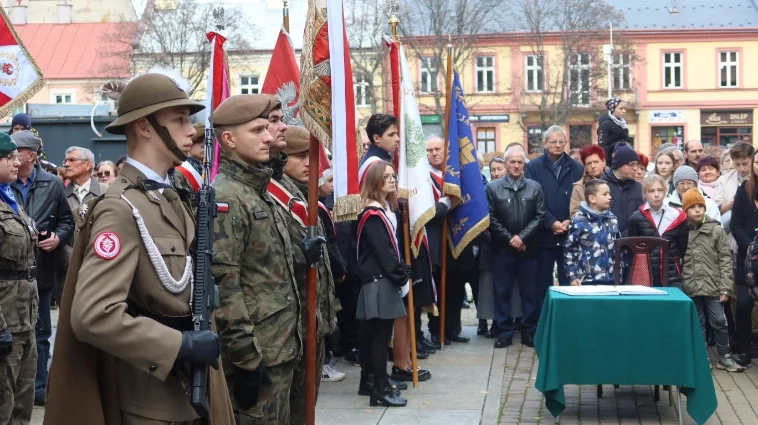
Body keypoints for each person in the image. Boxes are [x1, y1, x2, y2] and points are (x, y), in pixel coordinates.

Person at [44, 73, 234, 424]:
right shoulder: (121, 208)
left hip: (194, 390)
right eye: (178, 120)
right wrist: (180, 346)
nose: (190, 129)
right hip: (154, 402)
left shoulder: (168, 197)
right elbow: (93, 315)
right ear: (145, 127)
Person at [211, 94, 322, 424]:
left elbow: (268, 267)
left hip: (282, 343)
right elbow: (224, 287)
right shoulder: (227, 196)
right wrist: (246, 360)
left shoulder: (258, 189)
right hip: (259, 351)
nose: (270, 135)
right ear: (229, 139)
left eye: (268, 127)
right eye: (258, 130)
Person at [278, 126, 345, 415]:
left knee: (307, 407)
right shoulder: (284, 197)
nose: (310, 163)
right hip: (291, 325)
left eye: (312, 155)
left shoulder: (306, 197)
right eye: (300, 155)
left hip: (313, 322)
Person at [9, 130, 74, 407]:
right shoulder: (4, 183)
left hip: (42, 271)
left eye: (16, 152)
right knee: (11, 334)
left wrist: (58, 238)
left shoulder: (53, 184)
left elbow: (67, 222)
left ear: (30, 156)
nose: (12, 157)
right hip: (9, 274)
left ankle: (37, 388)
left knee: (41, 333)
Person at [356, 160, 409, 408]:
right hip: (380, 281)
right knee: (380, 337)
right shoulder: (373, 213)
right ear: (375, 181)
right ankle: (379, 387)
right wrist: (401, 275)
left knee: (376, 335)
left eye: (393, 176)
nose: (392, 180)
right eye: (386, 176)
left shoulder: (382, 209)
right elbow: (384, 252)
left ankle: (375, 382)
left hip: (380, 279)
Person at [486, 146, 545, 349]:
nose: (517, 166)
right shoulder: (492, 188)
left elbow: (539, 215)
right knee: (501, 292)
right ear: (505, 163)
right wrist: (510, 238)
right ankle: (504, 332)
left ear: (525, 164)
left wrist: (522, 238)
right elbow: (490, 218)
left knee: (529, 293)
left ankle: (529, 331)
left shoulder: (535, 187)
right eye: (512, 162)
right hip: (502, 250)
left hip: (529, 249)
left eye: (520, 162)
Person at [680, 188, 743, 372]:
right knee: (697, 323)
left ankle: (724, 356)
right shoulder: (682, 232)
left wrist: (725, 288)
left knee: (719, 322)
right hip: (691, 285)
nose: (698, 210)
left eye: (701, 206)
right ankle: (702, 357)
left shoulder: (716, 229)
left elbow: (725, 259)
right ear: (685, 210)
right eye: (693, 207)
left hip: (714, 286)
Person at [0, 135, 39, 424]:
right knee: (3, 400)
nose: (17, 162)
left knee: (23, 401)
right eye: (9, 156)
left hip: (25, 318)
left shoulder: (11, 198)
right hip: (5, 320)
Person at [426, 134, 476, 345]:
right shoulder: (424, 177)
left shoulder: (456, 175)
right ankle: (437, 330)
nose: (434, 153)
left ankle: (453, 327)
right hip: (435, 241)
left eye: (438, 149)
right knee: (438, 287)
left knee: (455, 287)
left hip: (456, 237)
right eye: (429, 150)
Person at [525, 125, 583, 299]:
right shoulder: (533, 167)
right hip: (543, 234)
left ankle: (568, 320)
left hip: (569, 233)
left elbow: (581, 199)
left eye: (561, 142)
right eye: (553, 142)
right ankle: (542, 321)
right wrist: (550, 222)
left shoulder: (576, 168)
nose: (558, 145)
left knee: (569, 282)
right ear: (545, 143)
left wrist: (569, 220)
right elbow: (532, 198)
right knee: (542, 282)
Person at [627, 174, 689, 288]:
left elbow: (682, 247)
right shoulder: (636, 218)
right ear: (644, 194)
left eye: (660, 190)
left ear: (665, 192)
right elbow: (632, 250)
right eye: (651, 191)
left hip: (671, 274)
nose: (656, 195)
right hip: (645, 273)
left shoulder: (677, 215)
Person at [729, 147, 758, 368]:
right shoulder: (743, 190)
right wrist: (751, 247)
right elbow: (736, 224)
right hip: (747, 260)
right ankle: (745, 351)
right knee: (744, 305)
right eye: (756, 163)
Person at [565, 179, 619, 286]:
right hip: (586, 280)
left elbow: (619, 249)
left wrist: (619, 273)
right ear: (592, 198)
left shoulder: (612, 219)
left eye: (609, 193)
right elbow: (569, 250)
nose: (610, 197)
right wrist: (572, 276)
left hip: (611, 279)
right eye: (605, 194)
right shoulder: (578, 220)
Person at [600, 143, 644, 236]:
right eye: (631, 164)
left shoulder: (640, 188)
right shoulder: (602, 186)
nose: (636, 168)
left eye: (637, 164)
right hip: (607, 243)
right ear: (619, 165)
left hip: (633, 242)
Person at [64, 147, 110, 211]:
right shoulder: (61, 194)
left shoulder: (106, 191)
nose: (66, 164)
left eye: (72, 160)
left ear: (88, 165)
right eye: (65, 161)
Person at [720, 142, 753, 225]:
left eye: (745, 164)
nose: (742, 168)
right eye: (737, 164)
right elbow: (716, 208)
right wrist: (730, 204)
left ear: (753, 159)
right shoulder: (724, 179)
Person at [570, 144, 607, 217]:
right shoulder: (579, 187)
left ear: (604, 161)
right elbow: (574, 214)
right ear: (585, 166)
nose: (593, 166)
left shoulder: (615, 180)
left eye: (596, 162)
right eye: (589, 163)